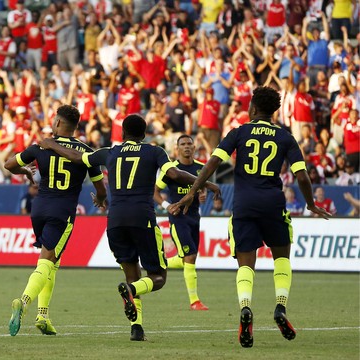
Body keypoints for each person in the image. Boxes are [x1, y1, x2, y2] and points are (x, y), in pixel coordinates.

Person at [170, 87, 331, 348]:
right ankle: (280, 307)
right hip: (273, 204)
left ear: (253, 109)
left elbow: (212, 162)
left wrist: (192, 191)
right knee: (282, 258)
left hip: (244, 205)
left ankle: (245, 308)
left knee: (246, 264)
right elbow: (301, 175)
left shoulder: (239, 132)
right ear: (273, 110)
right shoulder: (285, 137)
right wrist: (311, 203)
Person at [39, 114, 220, 341]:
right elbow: (174, 174)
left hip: (115, 220)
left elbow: (76, 157)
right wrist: (205, 182)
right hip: (142, 219)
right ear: (144, 135)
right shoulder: (154, 152)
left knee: (131, 273)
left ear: (122, 133)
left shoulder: (110, 152)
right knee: (157, 277)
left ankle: (137, 328)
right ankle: (132, 292)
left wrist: (50, 144)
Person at [4, 105, 106, 337]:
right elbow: (100, 188)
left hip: (39, 208)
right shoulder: (86, 151)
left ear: (58, 123)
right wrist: (100, 200)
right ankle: (25, 302)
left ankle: (43, 315)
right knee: (47, 261)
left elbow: (9, 165)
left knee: (51, 260)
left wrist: (27, 173)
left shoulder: (40, 146)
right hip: (62, 211)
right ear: (76, 126)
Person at [153, 134, 209, 311]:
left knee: (187, 258)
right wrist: (167, 205)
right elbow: (154, 192)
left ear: (194, 147)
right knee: (190, 256)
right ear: (177, 148)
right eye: (183, 144)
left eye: (189, 144)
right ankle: (194, 301)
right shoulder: (171, 170)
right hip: (178, 218)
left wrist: (203, 194)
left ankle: (156, 263)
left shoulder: (202, 168)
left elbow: (203, 190)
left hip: (194, 216)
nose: (186, 146)